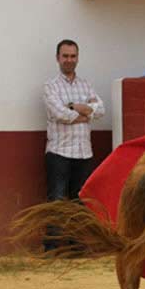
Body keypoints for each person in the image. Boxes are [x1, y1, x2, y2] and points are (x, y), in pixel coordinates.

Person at [43, 39, 105, 250]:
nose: (69, 60)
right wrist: (85, 113)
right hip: (59, 152)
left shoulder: (85, 84)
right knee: (58, 201)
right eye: (65, 56)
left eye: (73, 56)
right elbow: (60, 114)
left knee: (81, 202)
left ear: (77, 57)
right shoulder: (50, 86)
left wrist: (75, 107)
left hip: (83, 152)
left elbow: (101, 110)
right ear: (58, 58)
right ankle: (52, 249)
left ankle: (75, 248)